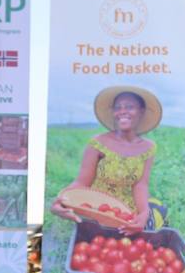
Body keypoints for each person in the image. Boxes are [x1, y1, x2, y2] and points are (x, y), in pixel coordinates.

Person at [50, 85, 162, 235]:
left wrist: (143, 214)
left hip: (125, 213)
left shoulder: (148, 148)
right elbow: (82, 182)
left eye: (130, 107)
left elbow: (140, 185)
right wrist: (61, 199)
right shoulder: (98, 143)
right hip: (96, 209)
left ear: (141, 112)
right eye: (118, 107)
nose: (122, 111)